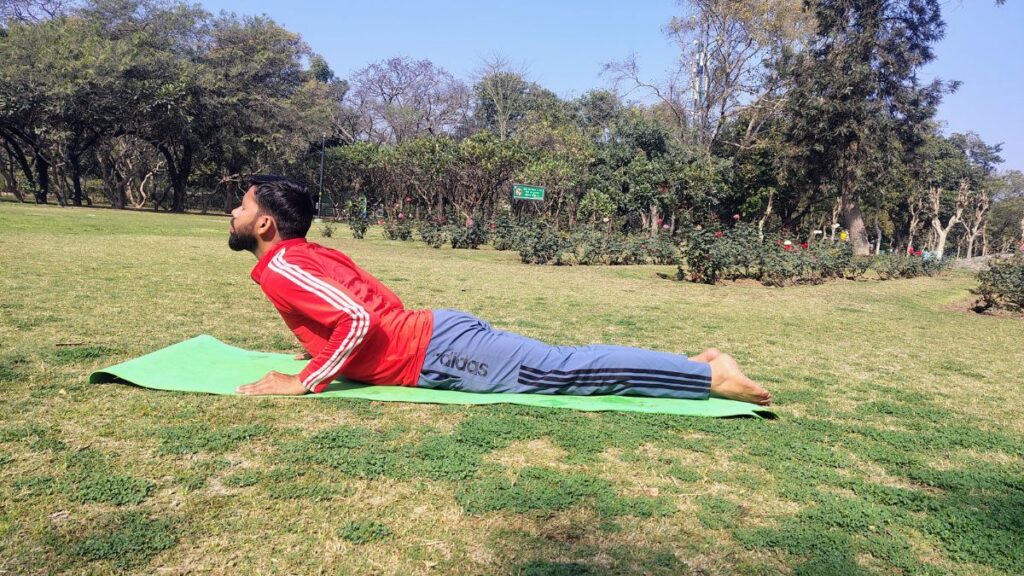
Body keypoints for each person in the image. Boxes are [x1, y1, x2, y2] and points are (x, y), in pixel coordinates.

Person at [230, 176, 771, 406]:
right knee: (563, 364)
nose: (234, 211)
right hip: (436, 337)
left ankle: (710, 377)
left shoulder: (283, 266)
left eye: (243, 206)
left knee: (563, 371)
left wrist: (306, 379)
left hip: (437, 352)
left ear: (265, 225)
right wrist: (324, 352)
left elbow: (359, 319)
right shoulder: (305, 255)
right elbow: (373, 305)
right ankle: (694, 366)